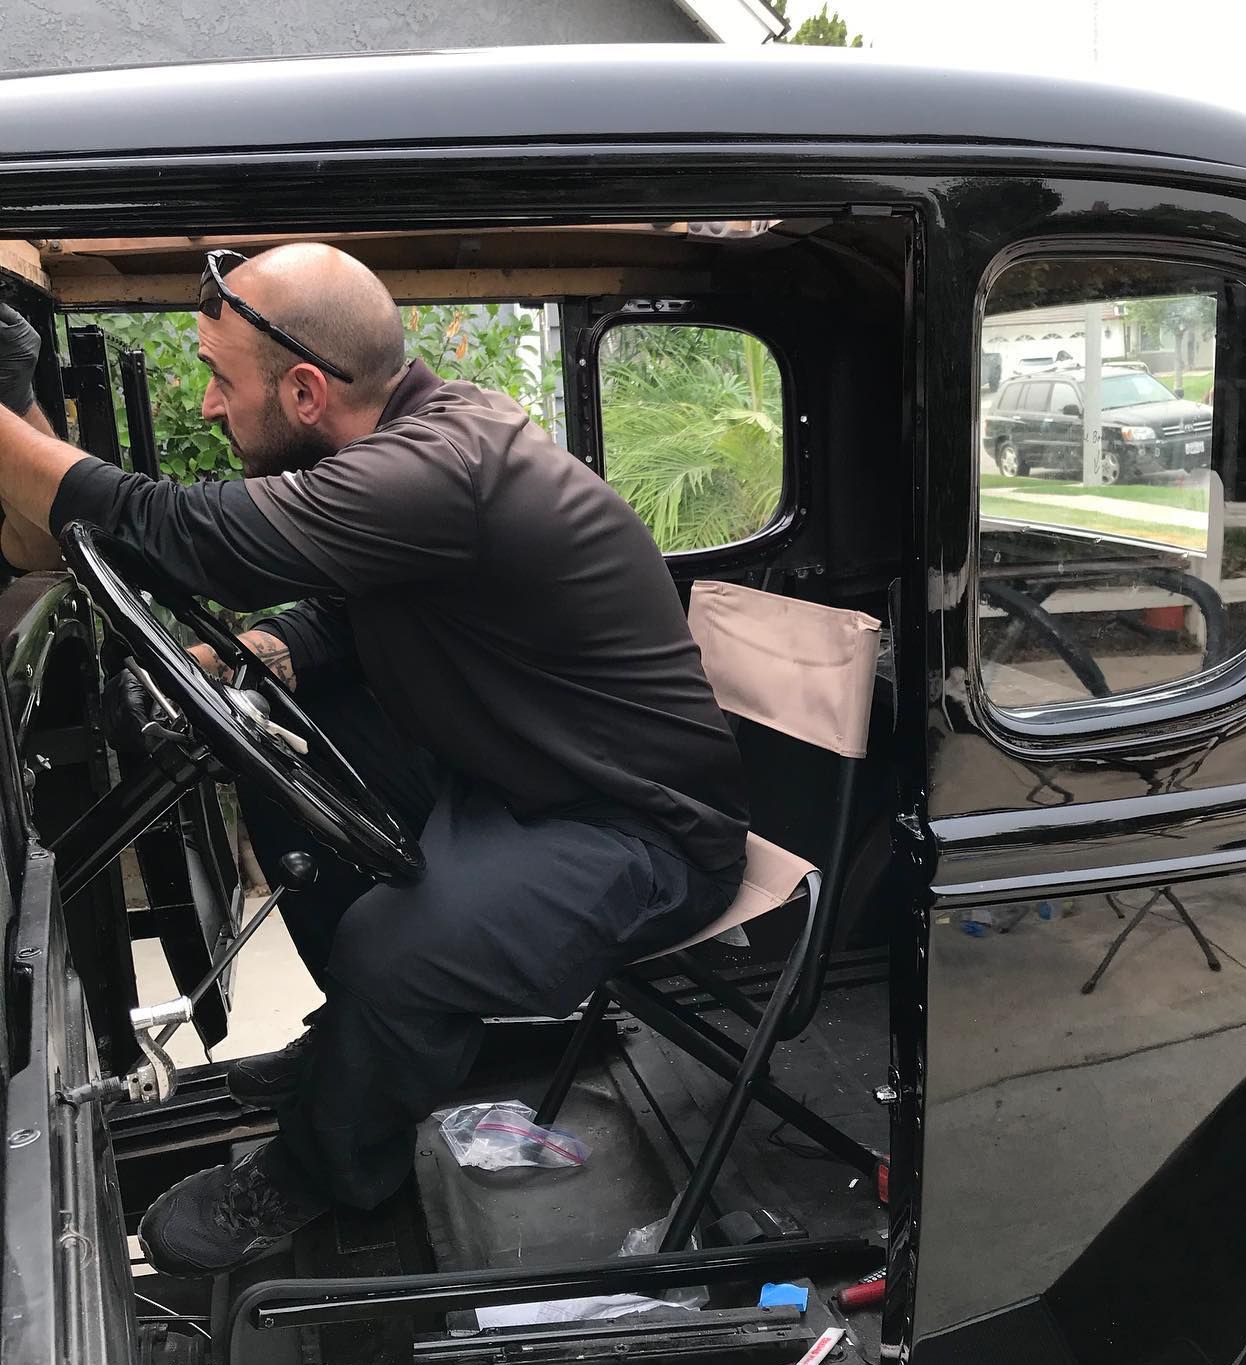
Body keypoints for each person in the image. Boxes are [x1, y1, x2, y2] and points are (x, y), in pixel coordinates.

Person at [0, 247, 748, 1277]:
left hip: (636, 828)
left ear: (305, 391)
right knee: (277, 764)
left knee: (401, 947)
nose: (211, 408)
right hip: (516, 781)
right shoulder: (413, 443)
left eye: (221, 381)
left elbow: (187, 536)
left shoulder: (442, 467)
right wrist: (262, 654)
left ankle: (321, 1170)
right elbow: (355, 612)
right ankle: (366, 1036)